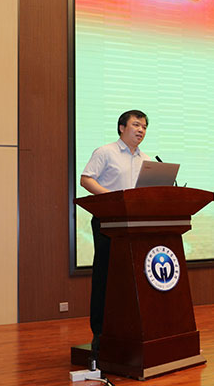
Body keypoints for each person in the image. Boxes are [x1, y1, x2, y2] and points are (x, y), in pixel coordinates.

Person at [80, 109, 151, 360]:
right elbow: (86, 179)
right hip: (108, 221)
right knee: (106, 277)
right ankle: (100, 332)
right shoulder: (105, 152)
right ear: (122, 127)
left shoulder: (147, 159)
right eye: (136, 125)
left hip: (135, 224)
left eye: (144, 127)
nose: (141, 130)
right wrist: (112, 198)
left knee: (132, 278)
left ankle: (130, 329)